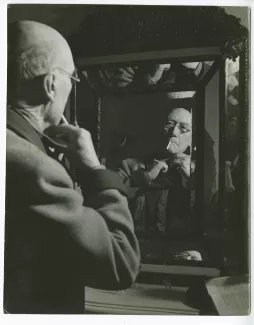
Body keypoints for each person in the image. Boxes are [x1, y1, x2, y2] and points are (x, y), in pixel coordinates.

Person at [5, 21, 140, 314]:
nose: (72, 87)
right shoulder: (32, 168)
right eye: (72, 78)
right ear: (52, 84)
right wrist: (93, 168)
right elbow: (121, 262)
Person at [117, 107, 195, 237]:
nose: (174, 132)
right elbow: (113, 202)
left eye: (184, 128)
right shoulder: (131, 165)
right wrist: (146, 176)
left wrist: (189, 179)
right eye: (170, 124)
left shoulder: (200, 172)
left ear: (192, 138)